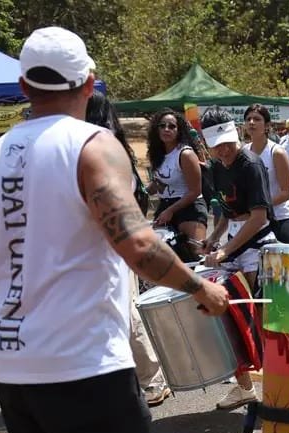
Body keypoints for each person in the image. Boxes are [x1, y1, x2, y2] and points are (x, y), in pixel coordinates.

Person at [0, 27, 228, 433]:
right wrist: (200, 286)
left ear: (23, 87)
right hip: (86, 364)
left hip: (14, 364)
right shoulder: (93, 145)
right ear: (90, 82)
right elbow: (138, 245)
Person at [85, 91, 170, 407]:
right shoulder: (113, 145)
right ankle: (133, 378)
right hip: (113, 241)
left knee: (127, 308)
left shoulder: (98, 148)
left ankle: (152, 379)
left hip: (116, 242)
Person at [201, 107, 279, 410]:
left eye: (227, 141)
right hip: (233, 244)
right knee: (224, 317)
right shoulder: (217, 167)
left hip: (256, 246)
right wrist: (213, 237)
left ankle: (277, 387)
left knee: (259, 320)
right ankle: (244, 387)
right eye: (217, 144)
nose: (224, 149)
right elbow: (226, 213)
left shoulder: (251, 165)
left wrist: (226, 250)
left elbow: (258, 217)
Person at [146, 108, 207, 261]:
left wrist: (171, 211)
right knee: (159, 259)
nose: (167, 129)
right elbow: (157, 184)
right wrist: (139, 192)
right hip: (165, 206)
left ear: (179, 130)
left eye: (172, 126)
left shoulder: (185, 154)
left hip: (189, 207)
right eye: (162, 125)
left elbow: (195, 190)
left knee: (195, 257)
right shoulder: (156, 154)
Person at [243, 105, 289, 244]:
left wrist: (260, 206)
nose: (251, 122)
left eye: (257, 119)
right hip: (254, 221)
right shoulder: (243, 152)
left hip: (280, 218)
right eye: (248, 119)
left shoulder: (277, 152)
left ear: (267, 125)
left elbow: (286, 192)